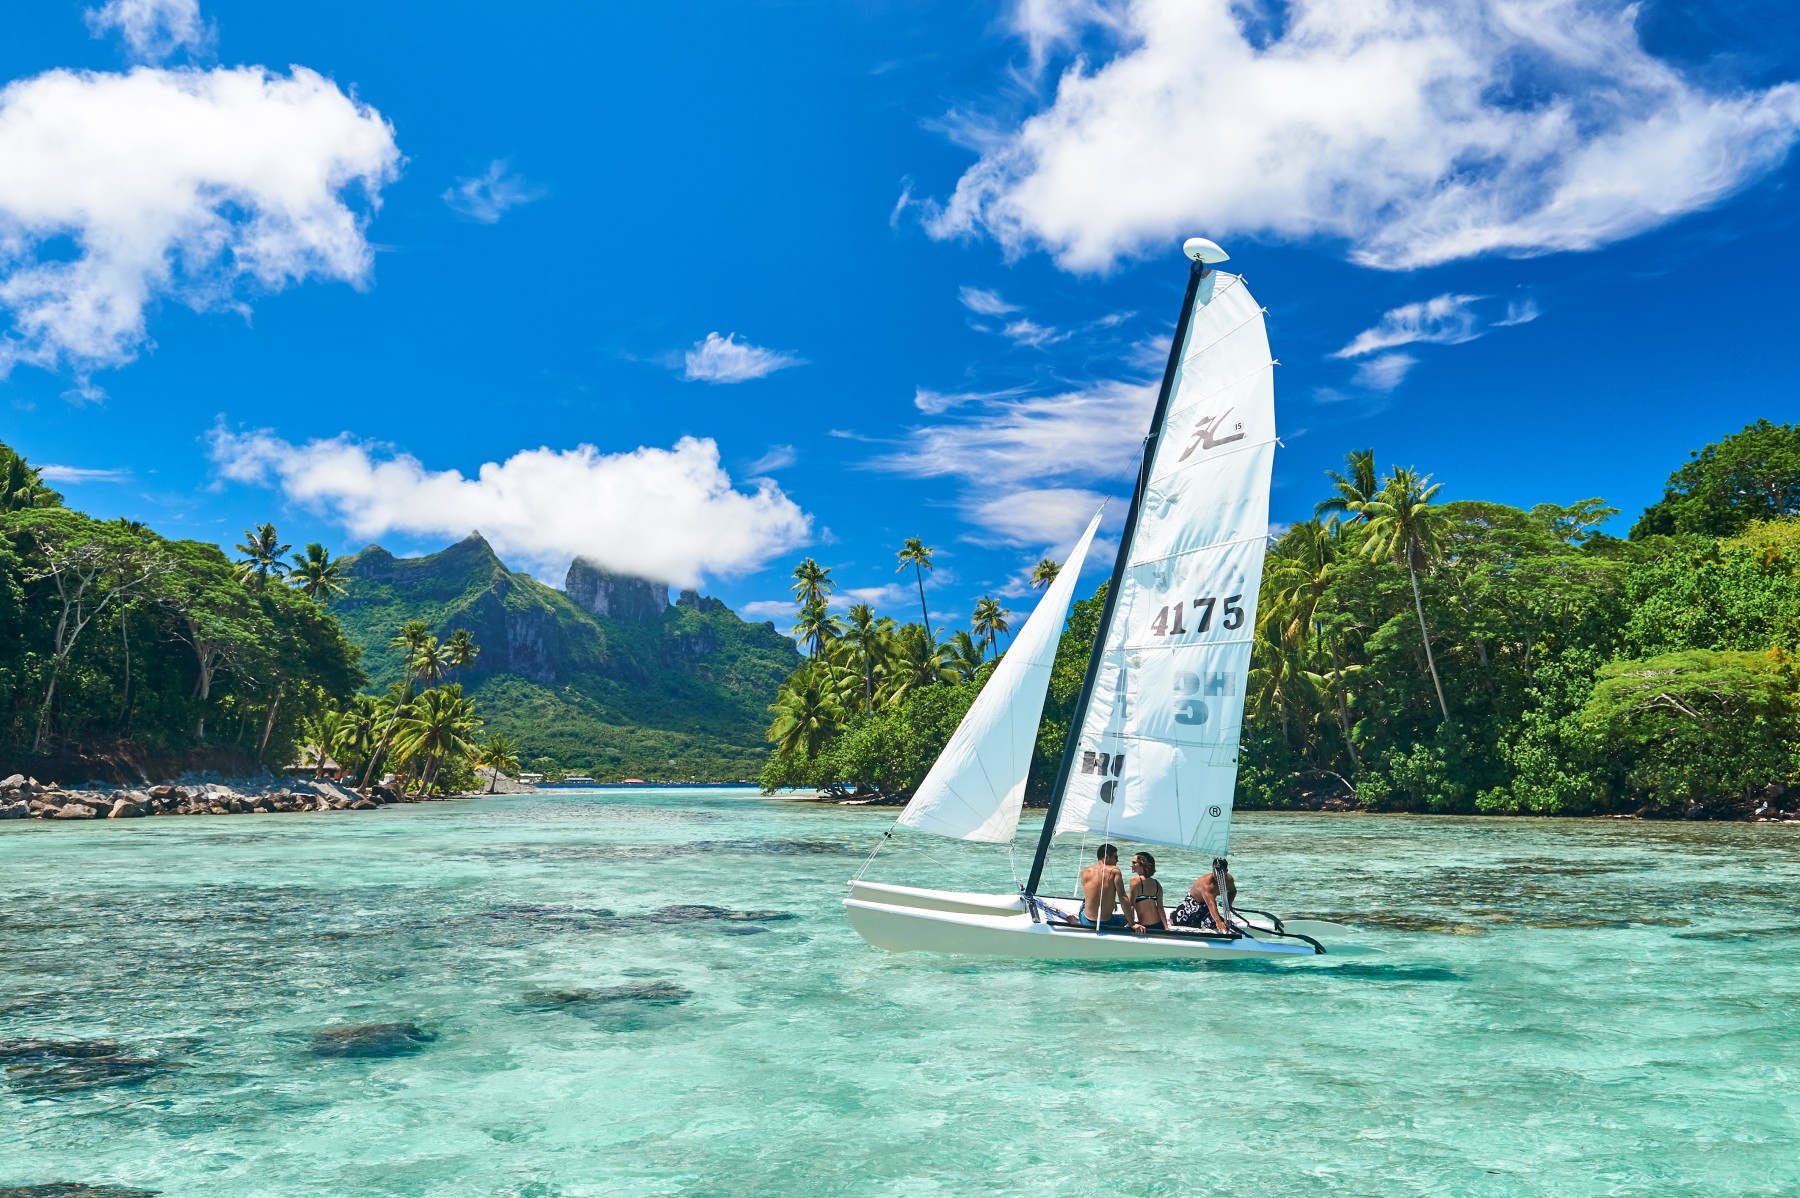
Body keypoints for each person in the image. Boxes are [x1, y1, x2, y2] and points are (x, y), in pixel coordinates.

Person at [1171, 857, 1237, 933]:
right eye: (1215, 870)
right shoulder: (1207, 884)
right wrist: (1218, 921)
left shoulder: (1229, 880)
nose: (1217, 873)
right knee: (1178, 921)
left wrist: (1229, 904)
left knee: (1214, 924)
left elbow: (1233, 892)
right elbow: (1211, 904)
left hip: (1207, 906)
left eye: (1220, 871)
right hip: (1193, 904)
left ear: (1226, 871)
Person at [1076, 843, 1127, 928]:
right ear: (1106, 857)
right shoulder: (1115, 871)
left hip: (1086, 920)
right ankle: (1075, 921)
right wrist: (1132, 923)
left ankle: (1077, 921)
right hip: (1107, 923)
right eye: (1115, 857)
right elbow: (1123, 897)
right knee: (1127, 918)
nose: (1117, 860)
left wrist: (1109, 900)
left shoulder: (1085, 871)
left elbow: (1093, 891)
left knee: (1086, 900)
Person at [1125, 852, 1168, 934]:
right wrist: (1166, 928)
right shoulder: (1157, 884)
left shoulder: (1134, 881)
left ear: (1142, 863)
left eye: (1134, 863)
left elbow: (1131, 905)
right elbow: (1160, 908)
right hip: (1159, 925)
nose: (1131, 865)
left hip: (1144, 927)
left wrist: (1132, 924)